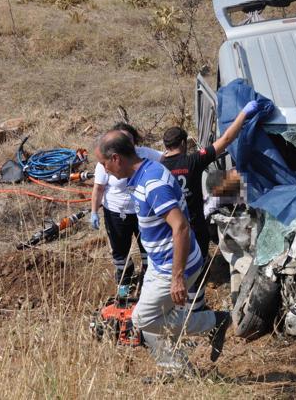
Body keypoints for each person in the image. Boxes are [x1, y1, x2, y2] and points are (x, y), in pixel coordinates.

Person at [94, 130, 231, 375]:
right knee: (151, 319)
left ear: (116, 158)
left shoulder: (152, 183)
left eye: (104, 164)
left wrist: (177, 277)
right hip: (161, 264)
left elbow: (180, 226)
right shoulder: (144, 173)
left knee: (142, 320)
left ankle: (214, 321)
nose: (104, 170)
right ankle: (177, 370)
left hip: (172, 267)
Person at [160, 100, 259, 255]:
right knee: (199, 260)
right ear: (182, 143)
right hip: (195, 225)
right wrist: (244, 113)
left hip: (170, 227)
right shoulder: (193, 161)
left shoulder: (158, 168)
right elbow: (225, 140)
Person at [90, 122, 162, 299]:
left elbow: (166, 159)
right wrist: (93, 211)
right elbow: (98, 188)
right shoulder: (107, 161)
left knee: (146, 245)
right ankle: (124, 279)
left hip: (142, 210)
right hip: (116, 211)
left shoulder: (146, 155)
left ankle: (148, 277)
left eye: (128, 140)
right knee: (120, 249)